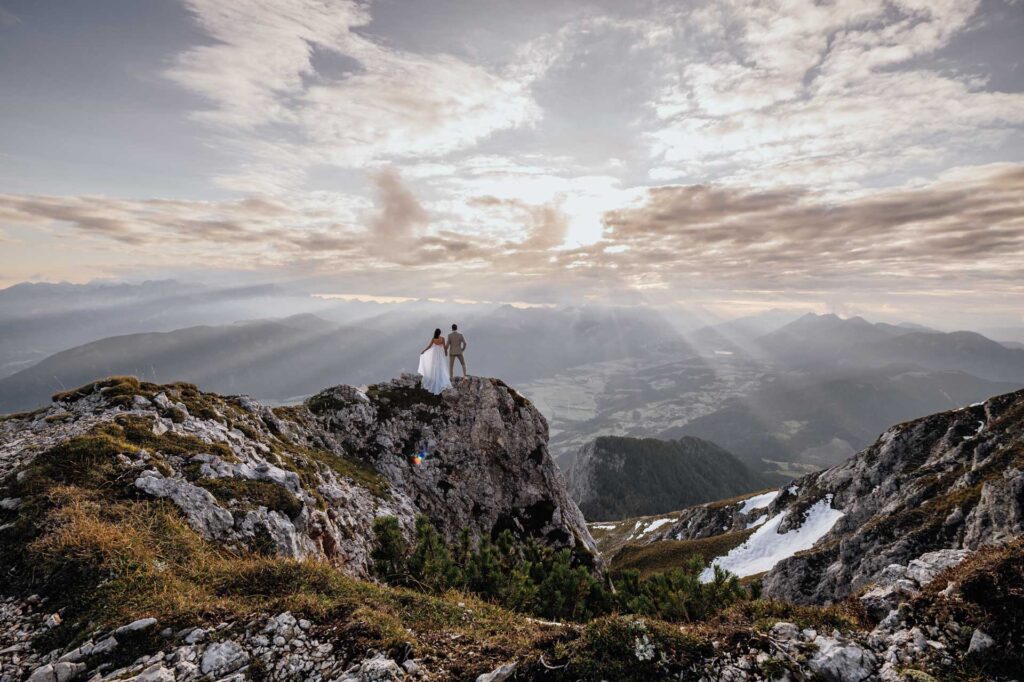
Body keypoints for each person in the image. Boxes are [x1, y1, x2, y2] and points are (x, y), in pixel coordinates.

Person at [417, 328, 452, 394]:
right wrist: (446, 352)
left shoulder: (434, 338)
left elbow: (429, 346)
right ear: (440, 333)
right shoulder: (442, 338)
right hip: (440, 353)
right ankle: (440, 379)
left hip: (435, 353)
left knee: (434, 366)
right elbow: (444, 347)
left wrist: (424, 350)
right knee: (441, 365)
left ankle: (435, 378)